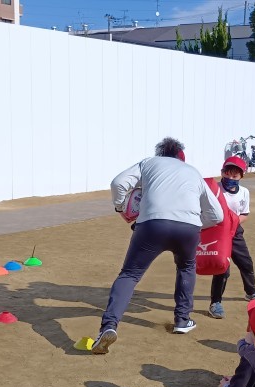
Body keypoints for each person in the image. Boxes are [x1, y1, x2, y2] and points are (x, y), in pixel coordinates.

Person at [92, 137, 224, 354]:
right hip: (188, 229)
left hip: (152, 225)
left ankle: (109, 326)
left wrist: (120, 207)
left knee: (130, 275)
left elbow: (118, 183)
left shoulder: (149, 163)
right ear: (181, 157)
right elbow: (217, 215)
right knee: (186, 267)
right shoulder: (193, 172)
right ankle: (182, 320)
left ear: (160, 153)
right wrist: (195, 224)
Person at [208, 156, 255, 319]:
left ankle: (251, 292)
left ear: (241, 176)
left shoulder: (244, 192)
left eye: (235, 176)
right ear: (222, 172)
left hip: (235, 232)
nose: (230, 178)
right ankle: (215, 302)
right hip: (217, 234)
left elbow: (244, 214)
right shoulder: (215, 190)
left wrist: (232, 223)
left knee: (246, 263)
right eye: (227, 174)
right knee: (222, 268)